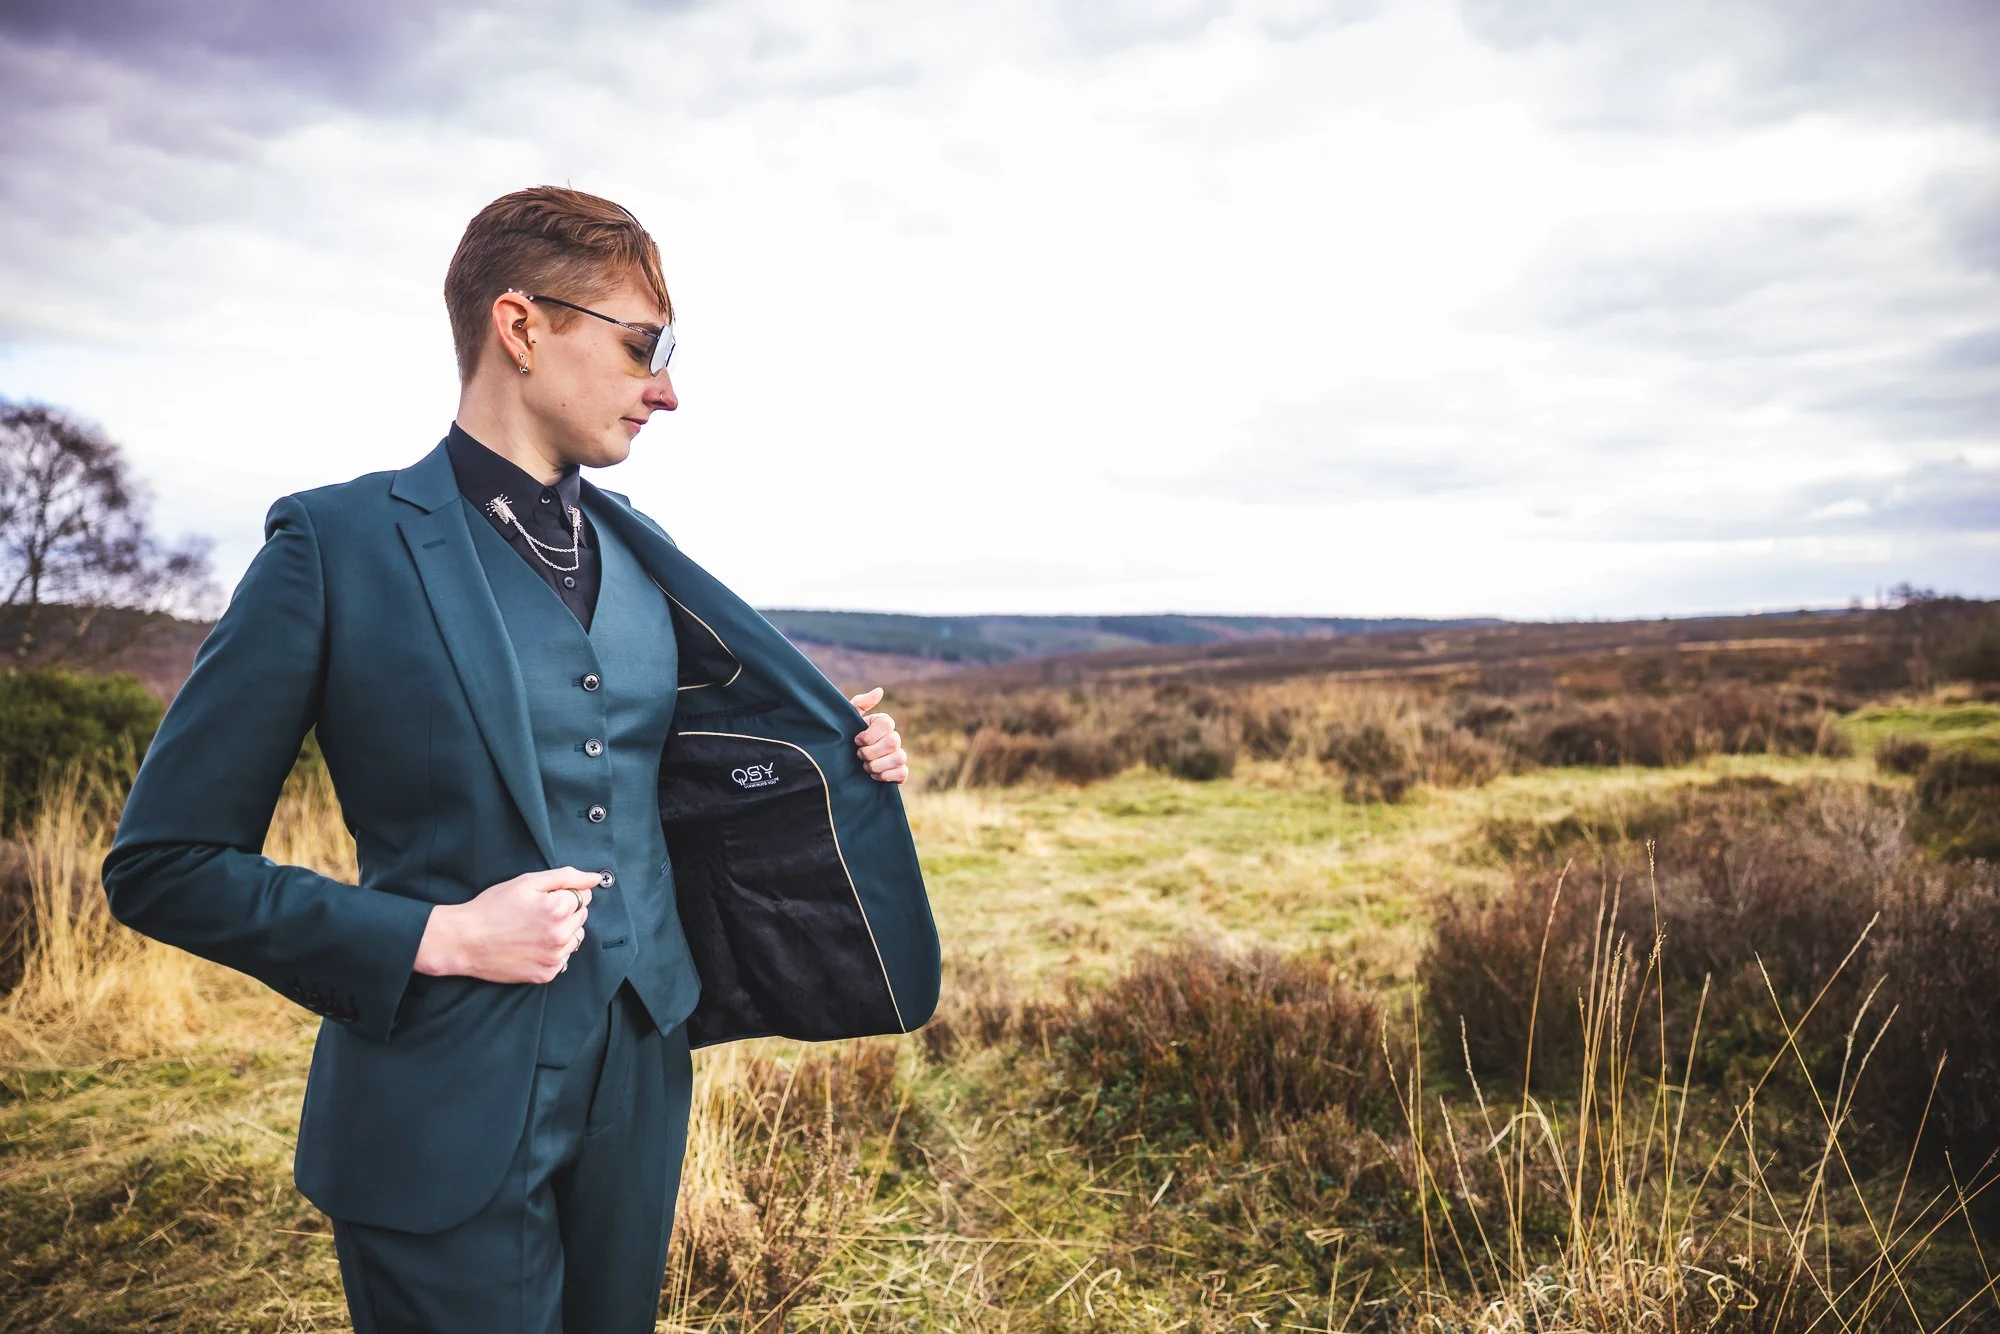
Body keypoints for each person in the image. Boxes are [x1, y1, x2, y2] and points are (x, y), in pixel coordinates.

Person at [101, 186, 940, 1333]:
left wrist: (824, 763)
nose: (667, 385)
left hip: (642, 1065)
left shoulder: (645, 556)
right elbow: (162, 862)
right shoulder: (333, 547)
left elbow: (650, 775)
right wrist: (437, 935)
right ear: (521, 325)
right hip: (436, 1094)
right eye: (643, 343)